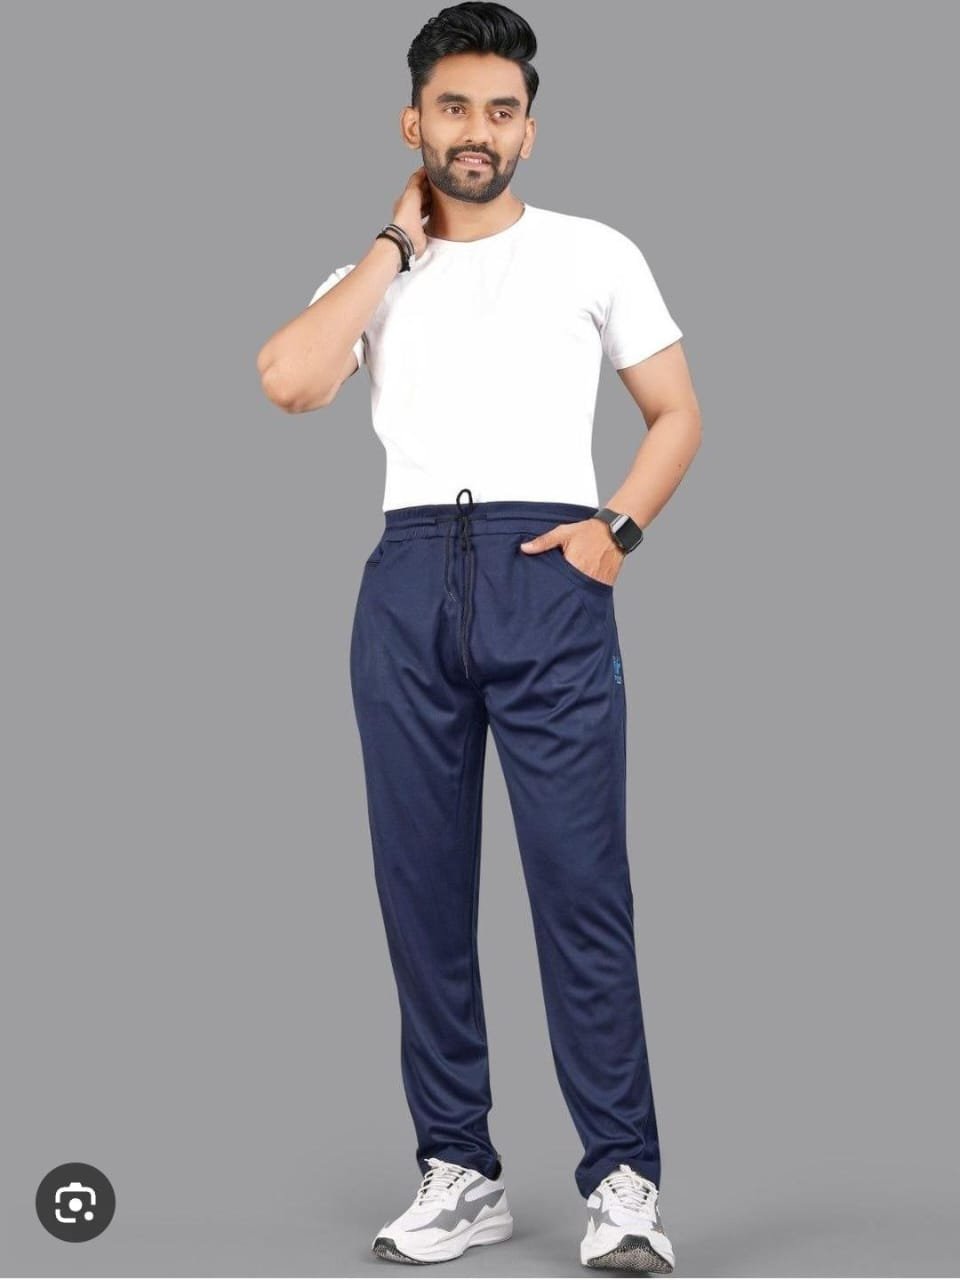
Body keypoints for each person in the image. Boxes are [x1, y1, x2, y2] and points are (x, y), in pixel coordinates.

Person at [257, 3, 701, 1272]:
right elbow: (290, 379)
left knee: (581, 889)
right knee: (422, 893)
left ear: (528, 131)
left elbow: (676, 411)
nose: (478, 131)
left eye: (502, 111)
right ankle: (459, 1169)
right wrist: (392, 247)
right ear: (414, 122)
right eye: (455, 107)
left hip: (549, 579)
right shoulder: (373, 276)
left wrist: (616, 528)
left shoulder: (593, 253)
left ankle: (623, 1182)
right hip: (407, 584)